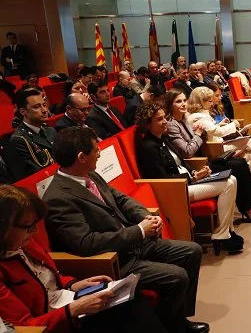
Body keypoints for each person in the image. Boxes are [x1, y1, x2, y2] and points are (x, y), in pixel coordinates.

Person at [43, 127, 209, 333]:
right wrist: (139, 231)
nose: (100, 153)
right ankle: (172, 326)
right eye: (96, 150)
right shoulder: (57, 198)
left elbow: (120, 198)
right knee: (177, 276)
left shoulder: (89, 174)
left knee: (192, 251)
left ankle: (176, 319)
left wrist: (144, 216)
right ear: (81, 157)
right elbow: (86, 243)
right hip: (113, 261)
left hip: (134, 243)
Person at [0, 184, 168, 333]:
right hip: (55, 320)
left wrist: (74, 284)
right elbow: (24, 328)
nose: (36, 232)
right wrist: (74, 309)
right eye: (29, 227)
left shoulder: (23, 242)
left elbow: (49, 278)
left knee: (130, 294)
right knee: (126, 311)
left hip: (66, 300)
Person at [134, 101, 246, 251]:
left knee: (231, 178)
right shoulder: (148, 147)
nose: (165, 121)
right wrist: (193, 178)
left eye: (164, 117)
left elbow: (180, 162)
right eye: (159, 119)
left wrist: (194, 171)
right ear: (148, 124)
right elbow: (161, 179)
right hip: (177, 190)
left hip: (188, 181)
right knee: (228, 183)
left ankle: (224, 233)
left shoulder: (164, 138)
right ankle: (223, 234)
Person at [164, 88, 251, 218]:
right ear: (170, 105)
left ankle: (248, 207)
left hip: (202, 157)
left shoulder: (184, 118)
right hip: (196, 163)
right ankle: (248, 210)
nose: (183, 104)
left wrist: (203, 135)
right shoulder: (172, 124)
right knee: (238, 165)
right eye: (178, 101)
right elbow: (187, 152)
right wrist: (199, 135)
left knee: (240, 161)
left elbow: (199, 140)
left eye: (184, 100)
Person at [187, 87, 251, 185]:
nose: (212, 103)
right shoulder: (197, 117)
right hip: (214, 149)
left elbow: (211, 129)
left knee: (249, 155)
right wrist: (233, 124)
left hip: (217, 144)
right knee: (247, 141)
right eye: (209, 101)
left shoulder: (201, 114)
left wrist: (221, 123)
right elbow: (218, 132)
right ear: (201, 102)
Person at [9, 89, 56, 180]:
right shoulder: (19, 139)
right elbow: (35, 173)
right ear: (23, 111)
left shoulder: (50, 130)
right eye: (37, 107)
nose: (44, 110)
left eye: (44, 105)